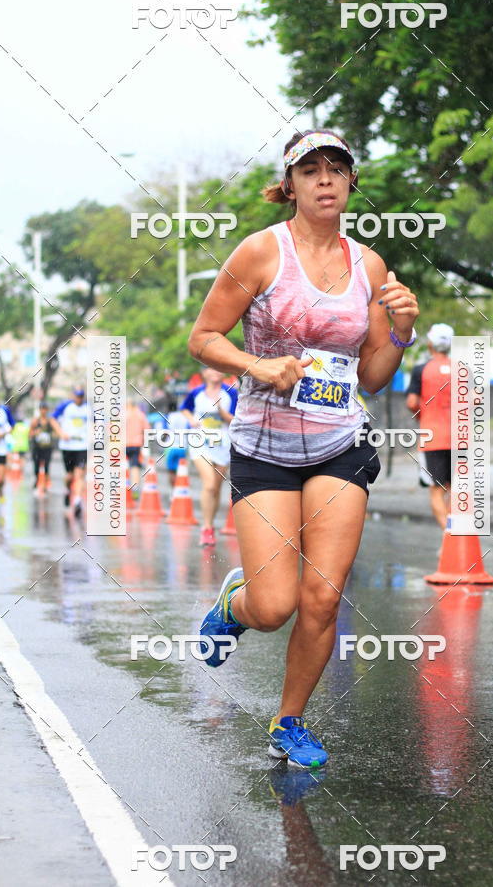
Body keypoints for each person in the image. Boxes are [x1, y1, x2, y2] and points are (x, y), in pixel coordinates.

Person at [188, 129, 419, 768]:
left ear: (349, 183)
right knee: (274, 604)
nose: (324, 179)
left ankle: (289, 722)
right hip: (263, 447)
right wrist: (255, 365)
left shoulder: (368, 265)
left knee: (321, 597)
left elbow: (372, 376)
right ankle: (233, 607)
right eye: (310, 169)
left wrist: (402, 331)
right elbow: (203, 337)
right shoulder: (261, 253)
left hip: (338, 443)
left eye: (336, 169)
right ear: (288, 185)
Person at [181, 367, 237, 546]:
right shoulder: (196, 393)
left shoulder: (232, 393)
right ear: (203, 373)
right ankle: (205, 528)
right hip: (200, 443)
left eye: (218, 369)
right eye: (210, 369)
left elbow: (236, 419)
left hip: (223, 445)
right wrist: (191, 419)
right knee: (210, 484)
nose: (215, 372)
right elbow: (185, 408)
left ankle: (210, 526)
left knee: (216, 488)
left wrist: (221, 412)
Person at [405, 323, 454, 530]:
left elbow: (411, 403)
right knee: (453, 489)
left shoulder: (421, 370)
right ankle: (454, 535)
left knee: (436, 489)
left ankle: (449, 535)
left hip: (432, 438)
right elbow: (475, 399)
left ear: (430, 344)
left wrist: (421, 416)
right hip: (459, 438)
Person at [51, 387, 88, 516]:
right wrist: (61, 433)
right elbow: (53, 419)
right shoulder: (65, 406)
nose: (79, 398)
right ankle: (67, 491)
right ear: (73, 395)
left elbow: (99, 422)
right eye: (77, 396)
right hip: (67, 447)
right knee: (70, 476)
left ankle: (77, 501)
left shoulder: (88, 408)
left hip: (82, 446)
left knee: (79, 475)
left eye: (81, 396)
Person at [29, 402, 55, 492]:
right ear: (39, 410)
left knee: (46, 466)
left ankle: (45, 485)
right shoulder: (35, 421)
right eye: (42, 409)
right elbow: (30, 433)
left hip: (47, 447)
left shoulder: (50, 421)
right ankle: (37, 480)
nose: (43, 411)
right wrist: (35, 432)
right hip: (37, 447)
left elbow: (57, 430)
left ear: (47, 410)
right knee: (37, 466)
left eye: (45, 409)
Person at [126, 397, 149, 496]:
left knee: (122, 466)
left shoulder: (121, 415)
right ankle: (135, 488)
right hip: (136, 444)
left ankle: (123, 486)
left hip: (123, 444)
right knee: (135, 466)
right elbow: (147, 429)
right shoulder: (140, 415)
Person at [164, 400, 191, 487]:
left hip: (170, 447)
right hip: (183, 447)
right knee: (182, 471)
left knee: (171, 471)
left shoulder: (168, 417)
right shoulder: (185, 417)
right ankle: (181, 489)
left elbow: (164, 432)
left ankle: (173, 491)